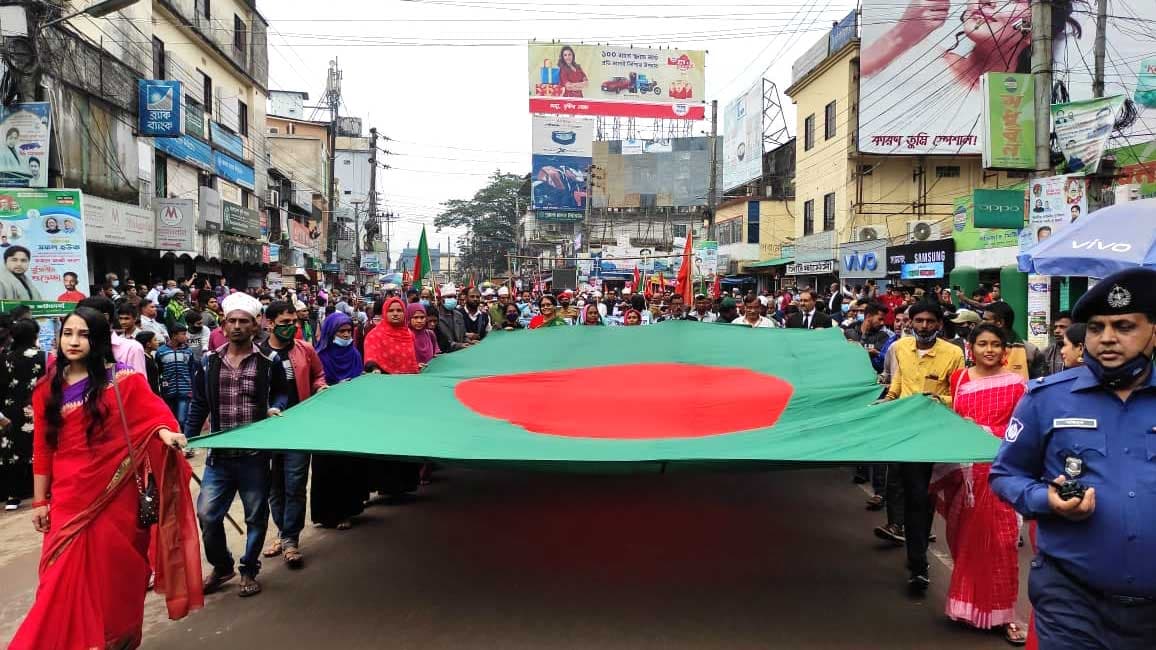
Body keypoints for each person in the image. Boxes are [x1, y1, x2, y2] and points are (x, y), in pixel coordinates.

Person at [9, 307, 202, 650]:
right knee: (60, 577)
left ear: (98, 340)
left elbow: (155, 416)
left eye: (83, 334)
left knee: (115, 574)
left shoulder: (124, 381)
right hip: (68, 497)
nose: (73, 341)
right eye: (68, 333)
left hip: (116, 496)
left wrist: (166, 434)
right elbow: (43, 449)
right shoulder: (45, 390)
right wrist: (39, 500)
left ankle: (112, 638)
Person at [991, 268, 1156, 650]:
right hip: (1072, 598)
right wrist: (1044, 500)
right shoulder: (1045, 398)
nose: (1107, 338)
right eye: (1096, 328)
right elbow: (1005, 474)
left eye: (1125, 326)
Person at [929, 324, 1028, 644]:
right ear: (970, 347)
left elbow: (1021, 431)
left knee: (1002, 543)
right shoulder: (959, 379)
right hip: (965, 471)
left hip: (1001, 472)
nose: (989, 350)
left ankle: (1003, 614)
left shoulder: (1016, 385)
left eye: (996, 344)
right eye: (982, 343)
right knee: (966, 540)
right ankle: (967, 607)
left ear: (1005, 350)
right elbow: (955, 420)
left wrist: (984, 431)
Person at [187, 291, 290, 599]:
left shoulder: (270, 362)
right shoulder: (208, 362)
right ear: (223, 324)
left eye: (243, 322)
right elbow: (199, 403)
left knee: (255, 516)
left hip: (254, 457)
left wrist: (275, 407)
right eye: (231, 321)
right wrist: (187, 438)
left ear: (255, 326)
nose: (236, 327)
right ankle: (222, 566)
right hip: (219, 458)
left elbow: (283, 393)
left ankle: (248, 569)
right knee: (207, 515)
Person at [885, 301, 966, 592]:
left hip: (936, 436)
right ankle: (916, 561)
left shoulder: (954, 353)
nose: (923, 327)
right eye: (918, 321)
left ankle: (918, 561)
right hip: (905, 435)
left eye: (929, 321)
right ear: (910, 322)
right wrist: (884, 402)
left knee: (925, 498)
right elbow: (897, 386)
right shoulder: (899, 349)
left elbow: (959, 396)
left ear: (939, 324)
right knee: (911, 497)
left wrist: (936, 401)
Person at [260, 300, 326, 570]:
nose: (291, 327)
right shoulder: (258, 353)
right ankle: (282, 531)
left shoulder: (305, 350)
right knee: (273, 486)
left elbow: (318, 375)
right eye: (285, 323)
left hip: (299, 430)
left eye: (294, 322)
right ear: (270, 323)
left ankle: (290, 540)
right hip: (267, 430)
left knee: (295, 484)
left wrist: (320, 387)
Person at [310, 312, 367, 530]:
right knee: (327, 467)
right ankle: (326, 514)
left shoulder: (354, 354)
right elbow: (317, 383)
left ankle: (347, 511)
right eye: (340, 332)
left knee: (348, 466)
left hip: (351, 418)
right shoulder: (320, 356)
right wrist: (334, 389)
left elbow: (361, 379)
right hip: (328, 420)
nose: (345, 335)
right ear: (330, 333)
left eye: (347, 331)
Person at [362, 297, 423, 498]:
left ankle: (404, 486)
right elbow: (370, 360)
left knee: (407, 438)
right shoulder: (374, 335)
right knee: (387, 439)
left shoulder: (408, 334)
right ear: (385, 313)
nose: (396, 314)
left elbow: (411, 360)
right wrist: (375, 369)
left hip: (409, 394)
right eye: (391, 311)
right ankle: (385, 485)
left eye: (399, 310)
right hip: (385, 395)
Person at [0, 318, 45, 510]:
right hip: (36, 408)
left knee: (13, 451)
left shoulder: (4, 357)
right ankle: (42, 492)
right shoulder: (43, 357)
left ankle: (13, 496)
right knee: (39, 448)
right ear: (35, 335)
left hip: (9, 411)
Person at [78, 296, 148, 374]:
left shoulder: (131, 348)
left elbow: (137, 384)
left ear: (105, 317)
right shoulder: (75, 347)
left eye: (83, 318)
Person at [982, 301, 1044, 379]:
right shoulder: (978, 348)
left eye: (985, 320)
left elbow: (1038, 383)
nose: (982, 323)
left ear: (999, 323)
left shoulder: (1030, 351)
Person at [156, 323, 195, 429]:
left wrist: (193, 389)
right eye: (183, 334)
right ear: (174, 336)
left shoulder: (188, 352)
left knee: (182, 420)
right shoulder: (161, 352)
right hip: (168, 391)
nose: (186, 337)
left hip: (185, 391)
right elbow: (159, 371)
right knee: (170, 420)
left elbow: (191, 371)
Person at [433, 284, 469, 352]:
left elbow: (463, 336)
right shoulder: (435, 317)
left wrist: (470, 342)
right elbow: (440, 342)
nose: (453, 299)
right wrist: (459, 345)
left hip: (461, 353)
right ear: (441, 299)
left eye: (454, 297)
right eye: (449, 297)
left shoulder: (459, 315)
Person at [1041, 311, 1073, 376]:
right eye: (1055, 327)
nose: (1057, 331)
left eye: (1062, 327)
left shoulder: (1083, 351)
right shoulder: (1046, 353)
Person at [408, 302, 440, 368]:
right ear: (409, 318)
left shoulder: (430, 334)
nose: (419, 321)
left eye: (422, 317)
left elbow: (435, 354)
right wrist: (414, 366)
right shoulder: (405, 336)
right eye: (415, 317)